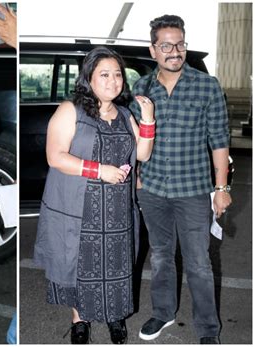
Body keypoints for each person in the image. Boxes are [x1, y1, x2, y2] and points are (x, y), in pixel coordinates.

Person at [33, 46, 155, 344]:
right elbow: (55, 157)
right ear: (88, 77)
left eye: (117, 75)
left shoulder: (126, 115)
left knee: (117, 263)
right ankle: (80, 319)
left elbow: (143, 153)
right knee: (81, 264)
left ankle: (115, 316)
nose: (113, 81)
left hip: (118, 210)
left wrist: (149, 119)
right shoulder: (70, 110)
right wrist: (99, 170)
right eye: (104, 74)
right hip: (81, 207)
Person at [129, 15, 231, 345]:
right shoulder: (141, 87)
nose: (175, 51)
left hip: (193, 191)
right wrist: (139, 178)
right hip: (153, 189)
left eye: (180, 44)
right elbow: (135, 139)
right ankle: (163, 312)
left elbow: (219, 139)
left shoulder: (207, 86)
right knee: (160, 256)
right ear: (153, 50)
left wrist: (221, 188)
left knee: (199, 262)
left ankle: (207, 330)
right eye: (167, 45)